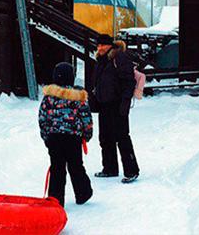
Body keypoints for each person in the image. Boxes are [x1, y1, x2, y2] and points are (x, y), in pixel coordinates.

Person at [38, 62, 94, 207]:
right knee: (76, 165)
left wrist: (46, 136)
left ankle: (55, 200)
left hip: (54, 138)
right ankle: (83, 193)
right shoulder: (78, 98)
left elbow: (42, 117)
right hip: (73, 138)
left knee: (57, 168)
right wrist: (87, 134)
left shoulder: (49, 97)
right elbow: (86, 117)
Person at [92, 34, 140, 183]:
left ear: (110, 46)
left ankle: (131, 170)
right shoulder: (101, 60)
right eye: (98, 45)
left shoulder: (119, 58)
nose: (99, 48)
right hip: (104, 104)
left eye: (103, 45)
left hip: (117, 104)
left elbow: (128, 81)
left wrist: (125, 102)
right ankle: (110, 168)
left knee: (122, 137)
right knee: (105, 138)